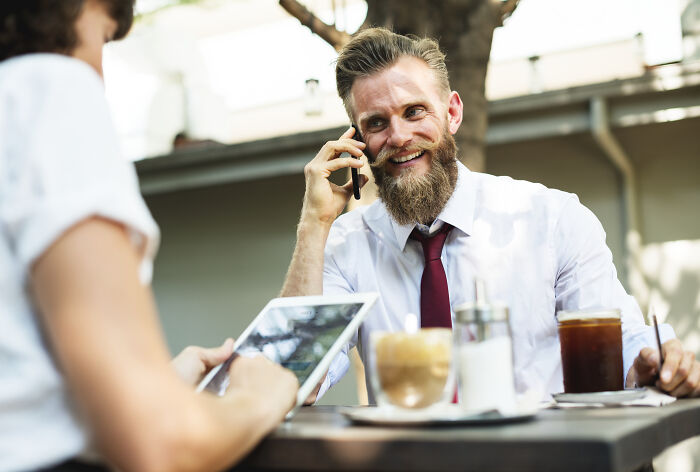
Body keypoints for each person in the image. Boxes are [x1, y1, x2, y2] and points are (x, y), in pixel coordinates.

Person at [281, 27, 700, 401]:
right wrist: (312, 225)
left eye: (414, 111)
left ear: (453, 113)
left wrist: (655, 364)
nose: (399, 137)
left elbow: (621, 344)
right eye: (376, 123)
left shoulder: (552, 219)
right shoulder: (345, 246)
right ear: (357, 141)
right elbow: (293, 381)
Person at [0, 1, 298, 471]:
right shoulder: (45, 88)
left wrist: (154, 385)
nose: (100, 74)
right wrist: (259, 398)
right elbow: (163, 446)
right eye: (104, 38)